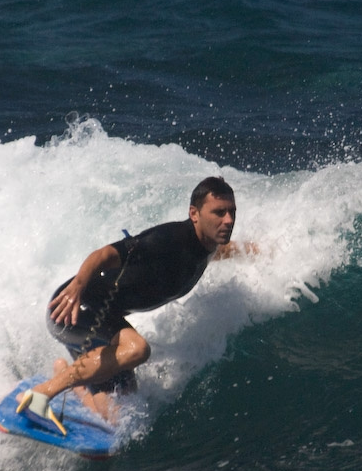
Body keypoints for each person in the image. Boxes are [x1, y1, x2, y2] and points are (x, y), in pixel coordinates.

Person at [18, 176, 253, 427]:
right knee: (137, 349)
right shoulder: (167, 240)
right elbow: (104, 254)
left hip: (103, 324)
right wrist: (76, 286)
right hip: (73, 310)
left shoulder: (208, 243)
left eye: (232, 212)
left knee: (117, 417)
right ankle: (39, 395)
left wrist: (259, 251)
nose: (228, 220)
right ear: (194, 214)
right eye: (219, 212)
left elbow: (218, 252)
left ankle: (68, 377)